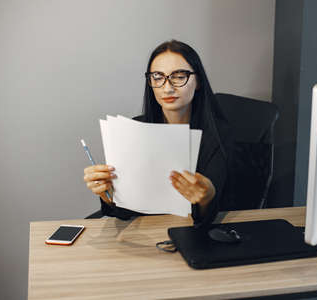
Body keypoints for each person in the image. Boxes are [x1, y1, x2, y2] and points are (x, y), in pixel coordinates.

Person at [83, 40, 231, 228]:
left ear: (198, 80)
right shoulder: (134, 130)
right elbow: (124, 212)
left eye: (179, 76)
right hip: (146, 237)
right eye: (158, 77)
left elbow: (217, 213)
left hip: (193, 236)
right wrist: (108, 195)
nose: (167, 88)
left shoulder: (218, 135)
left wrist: (207, 199)